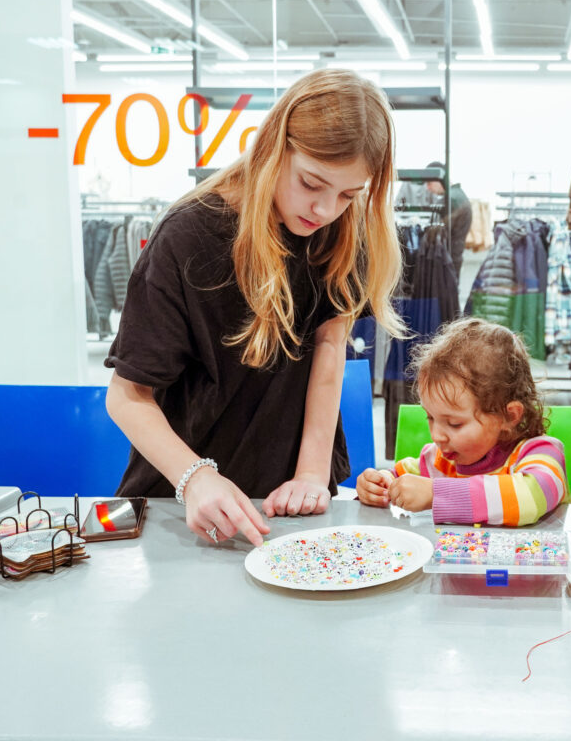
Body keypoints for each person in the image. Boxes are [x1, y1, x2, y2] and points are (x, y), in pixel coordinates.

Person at [105, 69, 405, 547]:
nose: (326, 209)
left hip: (289, 505)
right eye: (311, 183)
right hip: (180, 503)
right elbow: (126, 397)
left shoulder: (344, 234)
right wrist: (196, 478)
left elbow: (329, 347)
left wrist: (311, 474)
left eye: (349, 195)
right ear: (273, 146)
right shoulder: (187, 237)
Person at [356, 317, 568, 526]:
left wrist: (435, 494)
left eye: (454, 424)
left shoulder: (542, 453)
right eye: (431, 417)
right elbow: (399, 478)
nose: (436, 436)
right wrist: (379, 484)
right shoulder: (438, 460)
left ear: (509, 416)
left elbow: (530, 498)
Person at [424, 161, 473, 283]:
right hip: (453, 260)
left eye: (429, 183)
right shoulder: (458, 195)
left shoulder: (450, 200)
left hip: (445, 264)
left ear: (439, 179)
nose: (427, 188)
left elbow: (436, 235)